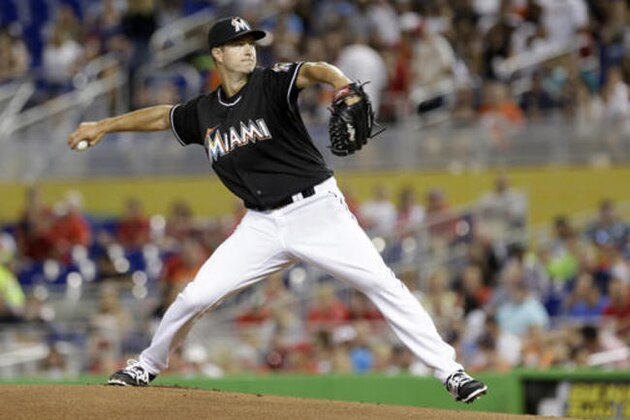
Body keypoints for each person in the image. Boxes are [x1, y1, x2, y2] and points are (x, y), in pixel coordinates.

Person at [67, 16, 487, 403]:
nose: (248, 48)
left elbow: (315, 70)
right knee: (196, 295)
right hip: (261, 224)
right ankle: (146, 365)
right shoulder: (205, 112)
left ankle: (451, 372)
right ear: (217, 54)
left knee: (382, 284)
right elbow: (162, 117)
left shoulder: (271, 82)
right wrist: (103, 125)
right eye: (237, 43)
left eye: (251, 41)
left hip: (318, 210)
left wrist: (342, 85)